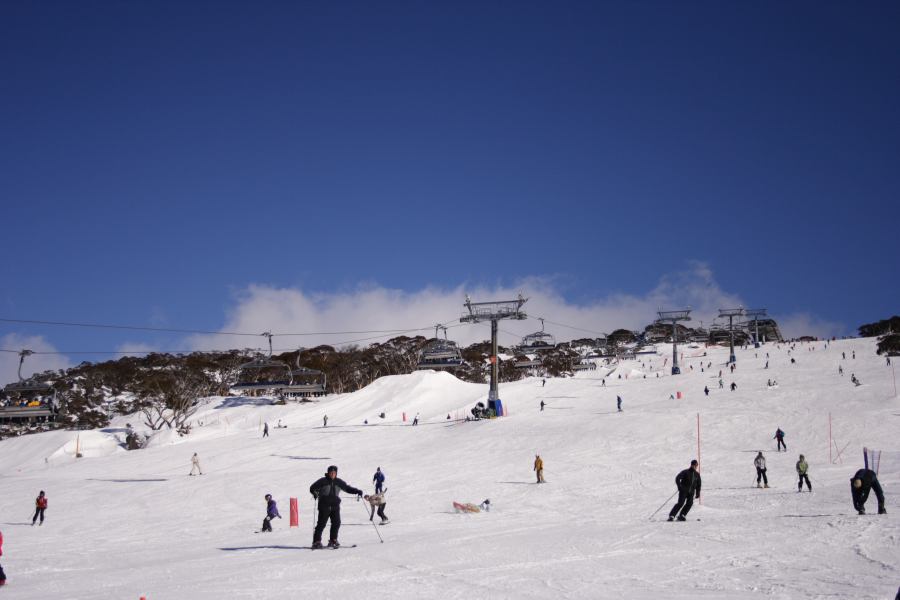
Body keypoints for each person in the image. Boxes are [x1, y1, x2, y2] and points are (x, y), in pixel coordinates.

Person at [309, 465, 363, 549]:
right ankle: (316, 542)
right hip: (324, 506)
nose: (332, 474)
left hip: (335, 506)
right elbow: (312, 488)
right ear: (328, 473)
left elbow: (347, 488)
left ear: (336, 473)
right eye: (331, 472)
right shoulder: (323, 481)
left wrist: (357, 491)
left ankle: (333, 540)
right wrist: (315, 494)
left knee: (336, 523)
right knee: (321, 524)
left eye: (334, 473)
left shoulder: (339, 482)